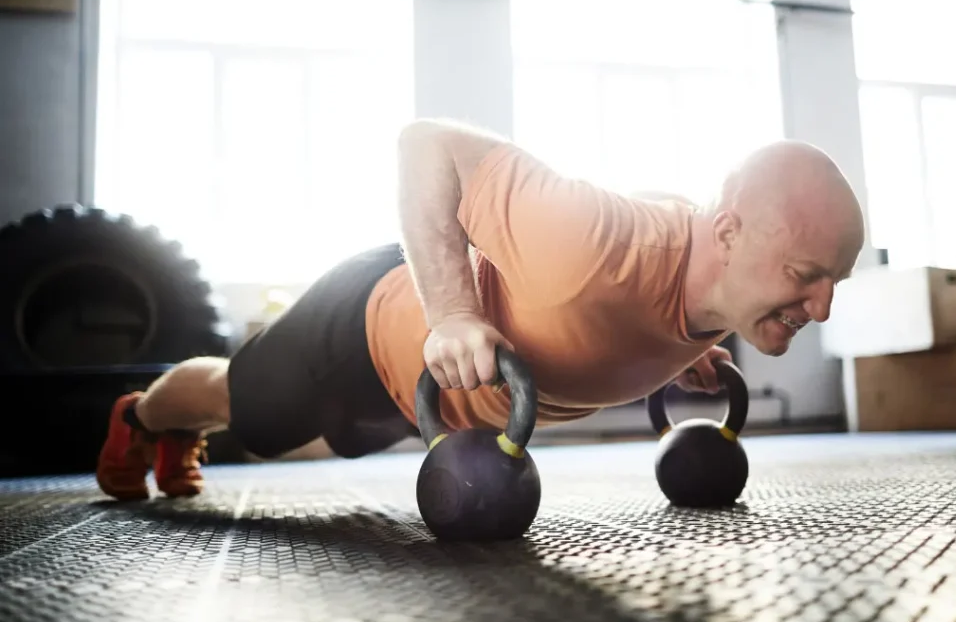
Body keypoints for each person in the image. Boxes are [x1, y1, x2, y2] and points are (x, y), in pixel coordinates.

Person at [95, 118, 865, 501]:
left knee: (340, 442)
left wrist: (684, 344)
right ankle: (143, 416)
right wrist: (454, 313)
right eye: (808, 274)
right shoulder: (588, 237)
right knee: (246, 414)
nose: (823, 307)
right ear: (729, 232)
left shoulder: (725, 283)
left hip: (430, 410)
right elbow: (426, 142)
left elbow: (663, 264)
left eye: (835, 279)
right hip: (364, 333)